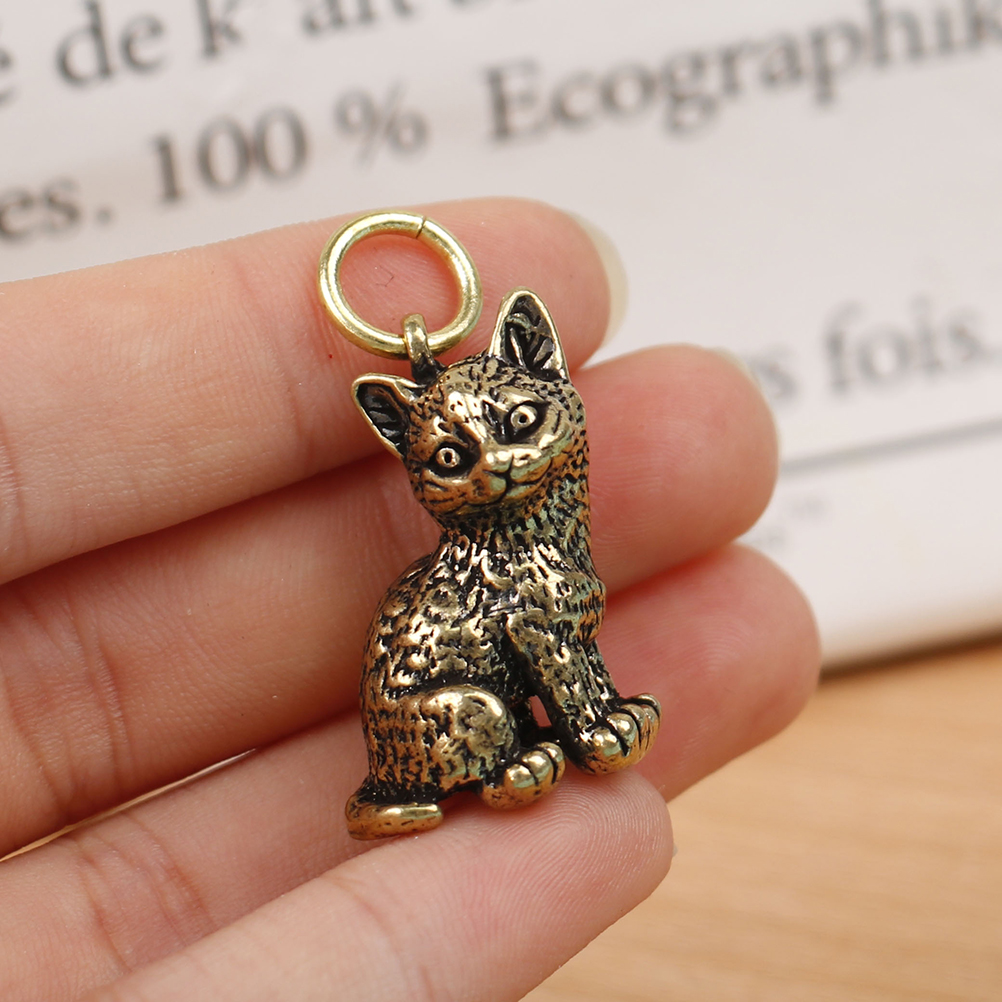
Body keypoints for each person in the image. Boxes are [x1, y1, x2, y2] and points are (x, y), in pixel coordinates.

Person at [0, 197, 819, 1000]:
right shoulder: (505, 566)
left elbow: (558, 633)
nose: (495, 465)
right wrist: (596, 737)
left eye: (519, 422)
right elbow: (543, 636)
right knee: (496, 697)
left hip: (471, 693)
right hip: (438, 714)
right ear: (411, 458)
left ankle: (546, 737)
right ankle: (502, 761)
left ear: (548, 374)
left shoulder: (542, 547)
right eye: (453, 458)